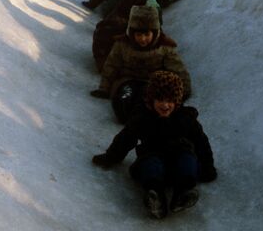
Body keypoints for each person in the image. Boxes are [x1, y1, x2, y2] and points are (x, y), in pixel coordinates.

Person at [92, 70, 216, 219]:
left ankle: (183, 193)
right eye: (160, 100)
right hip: (152, 154)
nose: (165, 105)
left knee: (188, 160)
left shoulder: (186, 118)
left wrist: (207, 166)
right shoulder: (142, 117)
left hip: (179, 154)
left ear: (177, 101)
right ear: (151, 99)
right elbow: (126, 138)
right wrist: (110, 157)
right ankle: (156, 197)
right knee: (150, 165)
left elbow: (201, 142)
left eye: (170, 100)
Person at [90, 5, 191, 124]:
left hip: (153, 83)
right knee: (124, 101)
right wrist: (104, 88)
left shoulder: (164, 47)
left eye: (147, 35)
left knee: (151, 102)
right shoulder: (122, 44)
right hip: (127, 81)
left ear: (154, 33)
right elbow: (111, 66)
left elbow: (178, 69)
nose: (142, 39)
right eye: (138, 35)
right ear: (132, 33)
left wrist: (183, 92)